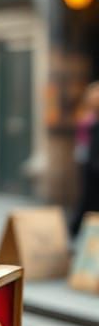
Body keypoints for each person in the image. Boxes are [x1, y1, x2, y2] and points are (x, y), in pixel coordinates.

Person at [71, 81, 99, 238]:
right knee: (89, 202)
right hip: (90, 164)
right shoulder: (89, 120)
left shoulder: (89, 120)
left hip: (89, 164)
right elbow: (83, 143)